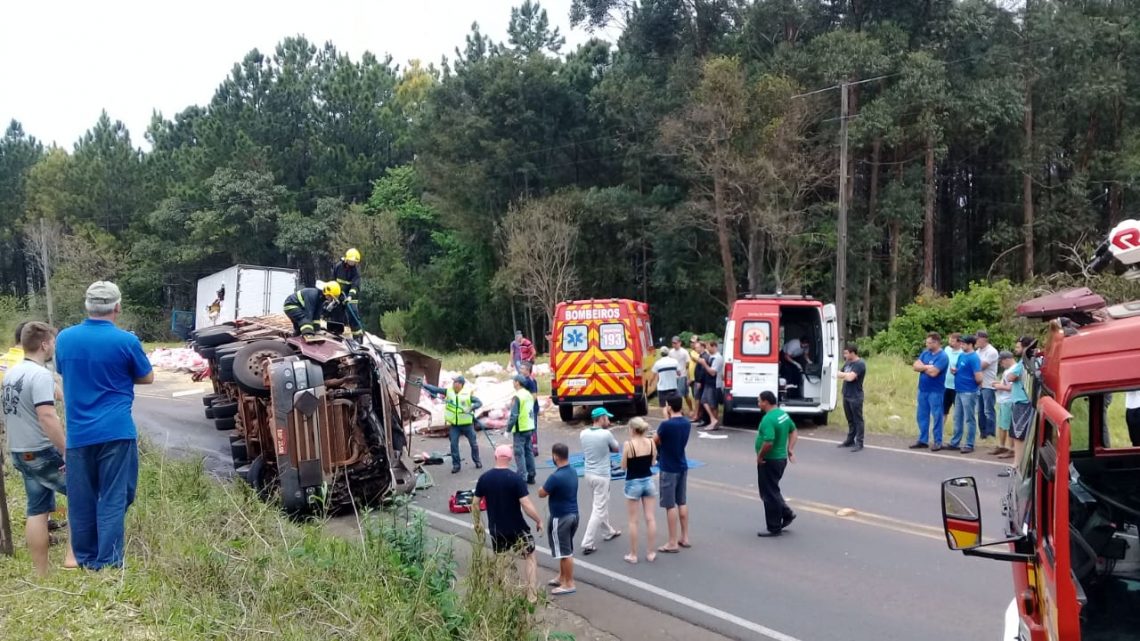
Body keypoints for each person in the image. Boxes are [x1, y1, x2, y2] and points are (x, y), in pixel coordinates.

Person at [56, 281, 154, 570]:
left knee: (81, 498)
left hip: (78, 433)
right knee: (115, 494)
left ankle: (85, 557)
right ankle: (109, 561)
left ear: (87, 306)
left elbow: (64, 370)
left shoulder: (64, 338)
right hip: (116, 431)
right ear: (117, 307)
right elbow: (147, 377)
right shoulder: (126, 341)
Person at [2, 322, 77, 575]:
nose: (54, 346)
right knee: (82, 495)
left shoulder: (12, 373)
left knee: (38, 508)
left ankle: (41, 572)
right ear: (45, 344)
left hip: (19, 451)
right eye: (53, 342)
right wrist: (66, 450)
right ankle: (72, 557)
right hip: (41, 451)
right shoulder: (40, 375)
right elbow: (47, 415)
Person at [474, 444, 543, 598]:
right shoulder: (515, 479)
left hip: (497, 529)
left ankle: (505, 593)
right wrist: (538, 520)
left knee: (501, 559)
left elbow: (475, 503)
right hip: (518, 528)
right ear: (510, 459)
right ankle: (531, 593)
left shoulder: (484, 478)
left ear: (495, 457)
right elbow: (526, 504)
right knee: (530, 556)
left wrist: (477, 522)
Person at [538, 442, 579, 596]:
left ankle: (569, 583)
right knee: (564, 549)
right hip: (574, 515)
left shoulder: (556, 476)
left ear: (555, 456)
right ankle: (562, 577)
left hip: (561, 517)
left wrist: (540, 489)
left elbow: (542, 493)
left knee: (565, 552)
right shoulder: (573, 471)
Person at [579, 407, 621, 555]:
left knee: (599, 505)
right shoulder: (606, 434)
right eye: (607, 418)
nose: (609, 421)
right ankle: (587, 542)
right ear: (601, 418)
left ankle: (608, 531)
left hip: (588, 474)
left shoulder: (583, 433)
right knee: (598, 508)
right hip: (602, 475)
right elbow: (616, 449)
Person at [755, 391, 797, 537]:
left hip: (770, 460)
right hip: (781, 458)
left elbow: (768, 442)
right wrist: (790, 449)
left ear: (766, 402)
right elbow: (793, 431)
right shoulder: (782, 414)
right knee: (772, 489)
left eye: (759, 401)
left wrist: (760, 456)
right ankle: (786, 513)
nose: (758, 403)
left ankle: (774, 527)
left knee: (769, 493)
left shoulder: (768, 419)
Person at [422, 375, 483, 473]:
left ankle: (477, 461)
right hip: (455, 425)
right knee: (453, 445)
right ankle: (456, 465)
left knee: (474, 444)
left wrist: (471, 408)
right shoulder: (449, 391)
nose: (453, 384)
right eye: (454, 382)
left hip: (467, 425)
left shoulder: (468, 393)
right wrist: (423, 385)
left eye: (455, 382)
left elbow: (479, 402)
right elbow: (435, 389)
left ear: (460, 384)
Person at [655, 396, 691, 553]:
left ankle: (672, 542)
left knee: (670, 505)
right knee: (681, 501)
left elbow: (655, 440)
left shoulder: (665, 425)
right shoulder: (686, 423)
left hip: (668, 467)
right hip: (681, 464)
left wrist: (665, 418)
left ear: (669, 407)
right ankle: (685, 536)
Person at [621, 417, 657, 564]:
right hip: (648, 480)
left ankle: (633, 554)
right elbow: (653, 462)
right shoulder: (651, 442)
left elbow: (623, 466)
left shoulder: (628, 445)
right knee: (650, 518)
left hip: (633, 482)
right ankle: (650, 552)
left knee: (633, 521)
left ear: (633, 430)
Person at [911, 332, 950, 451]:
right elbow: (915, 366)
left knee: (937, 416)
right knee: (922, 416)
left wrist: (923, 367)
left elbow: (934, 373)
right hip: (923, 389)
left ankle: (938, 441)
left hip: (936, 391)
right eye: (926, 342)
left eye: (929, 342)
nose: (927, 344)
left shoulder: (942, 356)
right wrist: (927, 367)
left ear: (936, 342)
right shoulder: (925, 353)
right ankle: (923, 440)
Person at [948, 335, 983, 454]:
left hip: (968, 391)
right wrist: (955, 372)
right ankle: (955, 442)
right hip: (959, 389)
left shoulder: (974, 358)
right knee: (957, 417)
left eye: (963, 344)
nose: (961, 346)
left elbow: (978, 376)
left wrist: (974, 384)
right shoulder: (962, 355)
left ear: (970, 345)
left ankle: (969, 443)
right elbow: (960, 369)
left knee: (969, 418)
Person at [1008, 337, 1035, 463]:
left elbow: (1011, 377)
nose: (1016, 349)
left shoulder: (1024, 363)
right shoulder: (1034, 361)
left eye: (1018, 347)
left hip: (1022, 402)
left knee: (1018, 435)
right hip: (1027, 401)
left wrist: (1010, 375)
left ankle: (1017, 464)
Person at [506, 375, 537, 484]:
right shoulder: (528, 394)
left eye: (514, 381)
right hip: (529, 427)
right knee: (529, 452)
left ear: (518, 383)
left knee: (519, 454)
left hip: (520, 429)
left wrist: (508, 429)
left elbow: (514, 415)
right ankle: (531, 475)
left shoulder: (517, 396)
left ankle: (522, 478)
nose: (513, 383)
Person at [837, 343, 867, 452]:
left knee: (858, 420)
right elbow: (838, 373)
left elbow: (850, 378)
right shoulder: (848, 363)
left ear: (852, 353)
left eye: (846, 353)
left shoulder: (860, 364)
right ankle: (850, 440)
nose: (844, 355)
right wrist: (846, 375)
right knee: (850, 420)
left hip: (855, 396)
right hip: (846, 394)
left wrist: (844, 375)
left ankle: (859, 442)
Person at [331, 249, 364, 339]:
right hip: (339, 294)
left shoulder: (355, 272)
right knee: (336, 312)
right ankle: (336, 334)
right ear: (346, 259)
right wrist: (334, 294)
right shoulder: (338, 267)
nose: (352, 263)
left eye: (354, 262)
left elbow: (355, 286)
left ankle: (358, 336)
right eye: (351, 261)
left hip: (351, 296)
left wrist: (350, 296)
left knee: (353, 312)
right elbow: (333, 280)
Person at [991, 351, 1018, 459]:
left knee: (1008, 425)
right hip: (1003, 400)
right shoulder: (1008, 370)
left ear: (1007, 359)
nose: (1001, 365)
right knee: (1002, 424)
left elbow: (1011, 387)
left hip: (1009, 400)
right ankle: (1002, 445)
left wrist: (998, 386)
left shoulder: (1014, 370)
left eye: (1002, 362)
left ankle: (1011, 448)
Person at [975, 331, 1000, 440]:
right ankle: (983, 433)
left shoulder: (991, 351)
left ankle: (990, 433)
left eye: (978, 339)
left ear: (984, 339)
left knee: (988, 410)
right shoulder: (978, 351)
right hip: (979, 384)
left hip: (988, 384)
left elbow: (981, 366)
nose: (976, 341)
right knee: (980, 410)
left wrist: (970, 365)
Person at [698, 340, 723, 431]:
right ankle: (713, 420)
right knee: (704, 401)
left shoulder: (718, 358)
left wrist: (704, 364)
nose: (707, 349)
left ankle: (714, 422)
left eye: (708, 347)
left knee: (713, 404)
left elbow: (713, 372)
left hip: (714, 384)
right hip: (708, 383)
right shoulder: (711, 356)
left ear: (714, 346)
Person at [517, 361, 540, 457]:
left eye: (522, 368)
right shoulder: (522, 380)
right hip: (525, 408)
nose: (520, 370)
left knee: (532, 428)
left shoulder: (530, 381)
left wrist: (527, 406)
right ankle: (528, 447)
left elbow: (534, 396)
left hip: (531, 409)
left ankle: (534, 448)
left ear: (527, 370)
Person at [651, 346, 680, 415]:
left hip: (662, 388)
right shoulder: (674, 361)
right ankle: (672, 420)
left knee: (663, 406)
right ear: (668, 353)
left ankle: (667, 420)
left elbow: (653, 376)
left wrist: (650, 383)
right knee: (672, 405)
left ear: (661, 353)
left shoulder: (658, 363)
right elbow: (679, 373)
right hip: (673, 387)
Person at [781, 335, 812, 400]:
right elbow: (787, 356)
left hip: (795, 356)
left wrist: (809, 362)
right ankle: (786, 394)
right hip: (784, 355)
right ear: (801, 342)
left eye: (807, 345)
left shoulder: (806, 346)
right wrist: (796, 364)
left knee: (796, 373)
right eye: (804, 345)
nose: (806, 346)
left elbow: (805, 355)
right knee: (788, 373)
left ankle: (795, 392)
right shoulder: (794, 344)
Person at [669, 336, 693, 415]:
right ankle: (679, 410)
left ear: (679, 343)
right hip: (673, 376)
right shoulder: (671, 352)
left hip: (682, 375)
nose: (674, 345)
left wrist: (687, 375)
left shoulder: (684, 352)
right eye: (673, 343)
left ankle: (691, 409)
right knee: (675, 394)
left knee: (683, 395)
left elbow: (687, 364)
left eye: (675, 343)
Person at [942, 333, 962, 418]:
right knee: (943, 410)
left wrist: (957, 371)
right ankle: (939, 429)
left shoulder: (962, 353)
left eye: (952, 341)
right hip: (945, 384)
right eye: (949, 340)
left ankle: (958, 430)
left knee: (958, 411)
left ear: (959, 342)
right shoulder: (946, 349)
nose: (950, 342)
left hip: (956, 387)